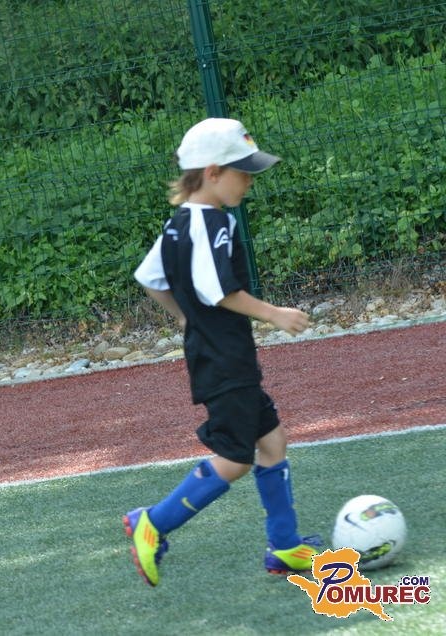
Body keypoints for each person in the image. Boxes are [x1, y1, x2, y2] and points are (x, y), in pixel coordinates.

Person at [126, 118, 321, 586]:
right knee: (235, 458)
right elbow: (219, 291)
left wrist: (183, 316)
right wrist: (274, 314)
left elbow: (149, 277)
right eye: (243, 172)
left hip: (216, 354)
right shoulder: (214, 223)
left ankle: (284, 546)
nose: (249, 182)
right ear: (212, 172)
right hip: (225, 359)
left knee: (272, 442)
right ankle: (153, 522)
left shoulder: (179, 223)